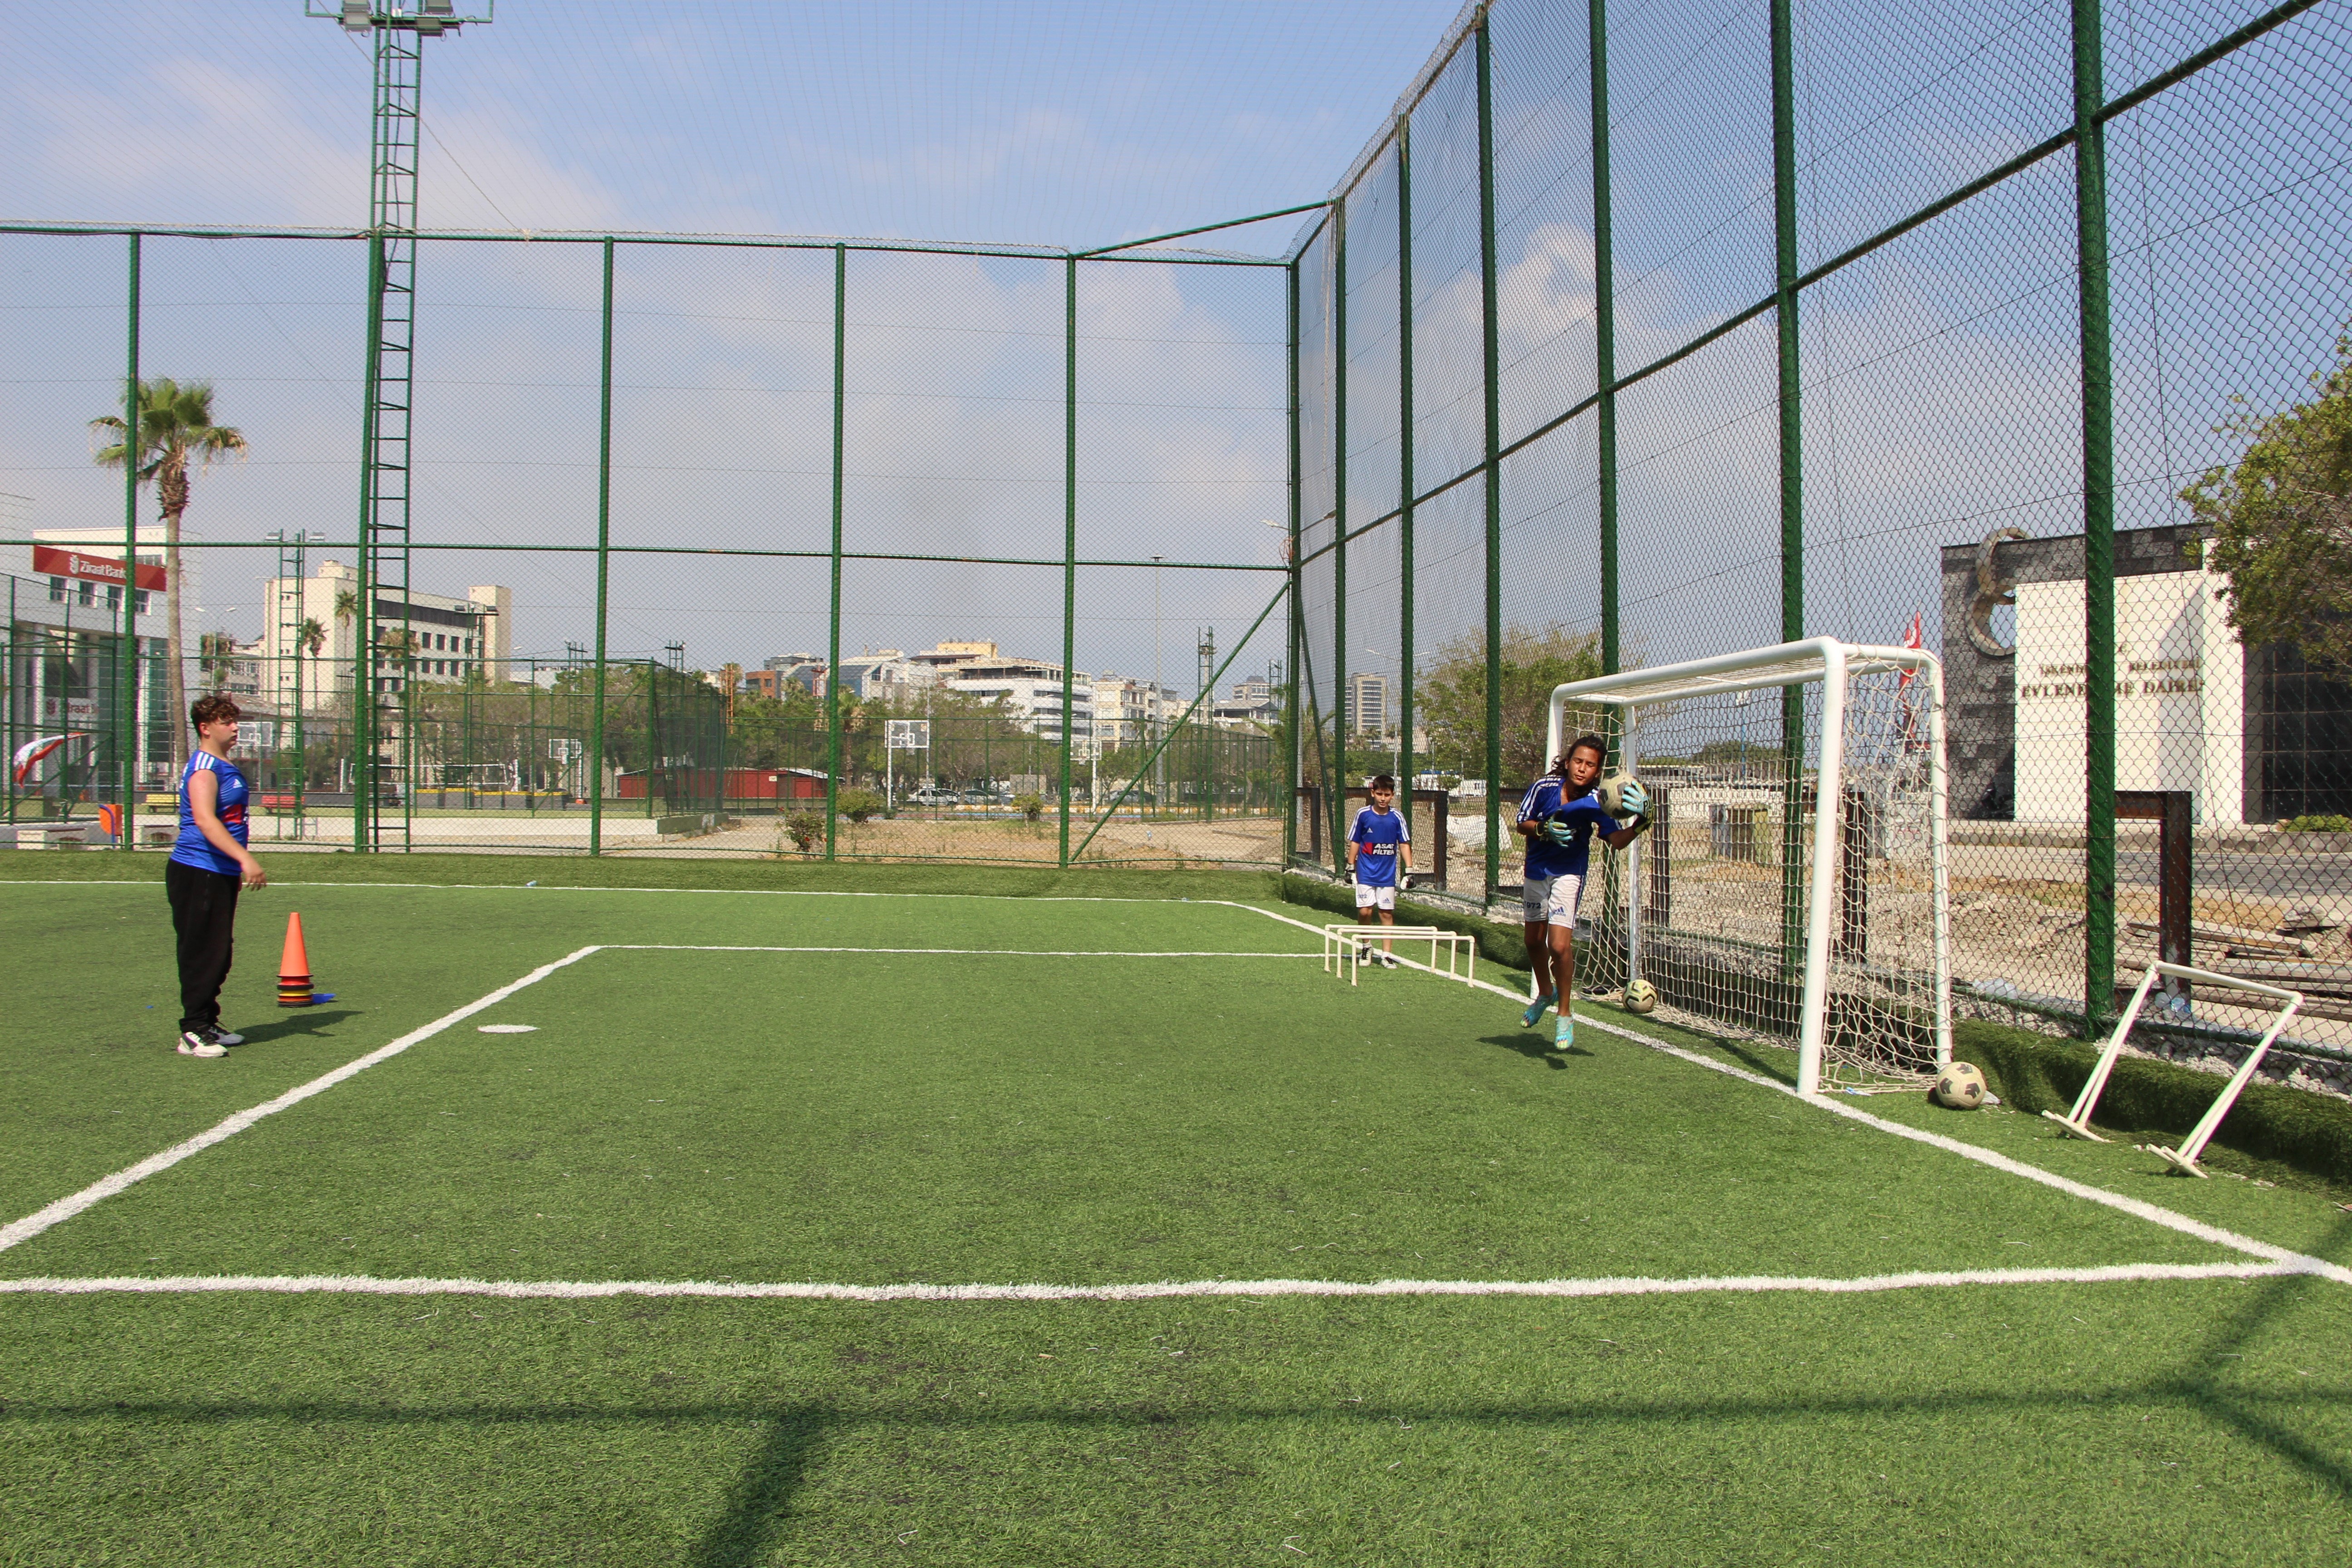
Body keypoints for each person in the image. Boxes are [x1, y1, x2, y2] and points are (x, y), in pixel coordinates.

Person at [1514, 733, 1648, 1049]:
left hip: (1569, 874)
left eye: (1590, 765)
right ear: (1568, 761)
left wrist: (1642, 822)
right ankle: (1545, 994)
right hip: (1536, 870)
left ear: (1598, 771)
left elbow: (1616, 842)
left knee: (1559, 946)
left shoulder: (1599, 802)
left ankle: (1565, 1014)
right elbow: (1522, 823)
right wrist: (1543, 829)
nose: (1582, 769)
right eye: (1578, 761)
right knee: (1533, 940)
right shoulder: (1544, 787)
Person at [167, 693, 265, 1058]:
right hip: (198, 870)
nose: (235, 727)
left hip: (218, 871)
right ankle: (192, 1030)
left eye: (235, 720)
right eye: (227, 722)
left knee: (219, 951)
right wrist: (245, 859)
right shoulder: (205, 768)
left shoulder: (223, 764)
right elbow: (206, 821)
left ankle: (207, 1022)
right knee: (203, 951)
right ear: (205, 728)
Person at [1346, 774, 1414, 968]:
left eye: (1387, 795)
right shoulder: (1363, 815)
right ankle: (1366, 946)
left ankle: (1387, 954)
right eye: (1379, 794)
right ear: (1372, 793)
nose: (1383, 798)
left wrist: (1409, 871)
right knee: (1365, 911)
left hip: (1387, 875)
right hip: (1366, 872)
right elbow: (1355, 841)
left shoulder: (1397, 817)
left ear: (1393, 795)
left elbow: (1404, 844)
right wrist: (1350, 867)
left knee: (1386, 913)